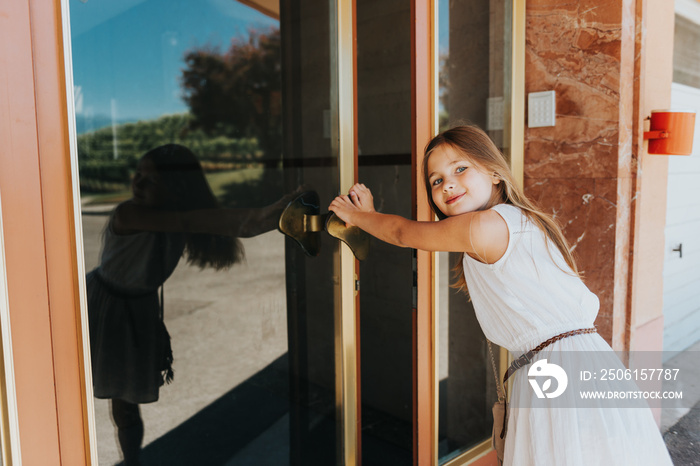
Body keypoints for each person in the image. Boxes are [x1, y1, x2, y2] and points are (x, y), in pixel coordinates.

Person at [329, 125, 673, 465]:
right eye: (436, 180)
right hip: (579, 361)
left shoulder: (485, 226)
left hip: (556, 371)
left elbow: (404, 234)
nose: (447, 183)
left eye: (460, 169)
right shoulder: (519, 220)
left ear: (495, 173)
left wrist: (363, 216)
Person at [86, 144, 295, 466]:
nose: (138, 184)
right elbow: (217, 221)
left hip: (138, 308)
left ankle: (132, 460)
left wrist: (274, 215)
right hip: (106, 305)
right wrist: (271, 215)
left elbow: (219, 222)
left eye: (151, 180)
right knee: (110, 391)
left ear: (175, 188)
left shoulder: (173, 218)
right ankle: (130, 459)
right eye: (138, 175)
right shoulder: (130, 213)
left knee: (126, 398)